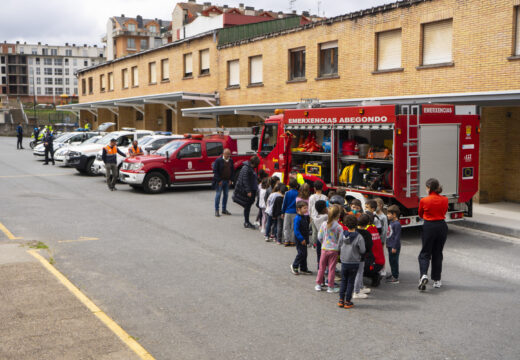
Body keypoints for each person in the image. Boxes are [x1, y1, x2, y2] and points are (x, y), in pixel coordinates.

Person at [418, 178, 449, 290]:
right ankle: (437, 280)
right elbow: (444, 211)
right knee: (438, 253)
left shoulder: (424, 200)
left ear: (428, 188)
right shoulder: (445, 199)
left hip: (429, 226)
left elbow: (420, 214)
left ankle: (423, 275)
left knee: (425, 253)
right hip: (441, 226)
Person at [337, 215, 366, 309]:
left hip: (344, 261)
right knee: (350, 282)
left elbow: (338, 246)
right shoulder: (359, 237)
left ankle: (341, 299)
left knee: (344, 280)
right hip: (354, 261)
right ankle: (348, 301)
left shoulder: (342, 234)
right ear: (356, 224)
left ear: (345, 224)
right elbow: (362, 250)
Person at [315, 204, 343, 293]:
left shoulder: (324, 224)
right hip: (334, 250)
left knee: (321, 267)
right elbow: (341, 239)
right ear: (338, 215)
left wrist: (323, 242)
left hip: (324, 248)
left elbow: (319, 236)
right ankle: (330, 287)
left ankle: (318, 284)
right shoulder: (339, 227)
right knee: (331, 268)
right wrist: (338, 247)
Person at [232, 155, 259, 229]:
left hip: (252, 189)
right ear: (253, 163)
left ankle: (247, 222)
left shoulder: (250, 168)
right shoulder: (246, 168)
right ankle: (246, 222)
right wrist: (248, 191)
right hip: (249, 191)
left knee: (248, 206)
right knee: (247, 206)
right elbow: (245, 180)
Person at [353, 214, 373, 299]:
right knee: (359, 273)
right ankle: (356, 292)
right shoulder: (367, 234)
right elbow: (369, 246)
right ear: (368, 223)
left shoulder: (354, 231)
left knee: (358, 272)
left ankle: (360, 287)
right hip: (361, 256)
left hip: (353, 255)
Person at [363, 213, 385, 286]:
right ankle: (374, 275)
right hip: (379, 262)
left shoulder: (366, 231)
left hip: (373, 263)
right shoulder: (374, 228)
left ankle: (374, 276)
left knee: (358, 268)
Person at [290, 201, 312, 275]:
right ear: (298, 209)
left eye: (307, 208)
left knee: (305, 254)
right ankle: (294, 266)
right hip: (300, 239)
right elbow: (296, 230)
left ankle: (303, 268)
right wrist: (301, 239)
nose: (306, 209)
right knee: (301, 253)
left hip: (305, 238)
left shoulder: (305, 217)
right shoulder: (297, 218)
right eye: (304, 208)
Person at [213, 148, 234, 217]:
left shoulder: (231, 161)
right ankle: (216, 210)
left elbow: (232, 170)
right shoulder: (218, 160)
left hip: (227, 181)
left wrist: (231, 179)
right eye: (227, 154)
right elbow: (215, 171)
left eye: (229, 154)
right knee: (218, 195)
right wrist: (219, 180)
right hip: (220, 181)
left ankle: (224, 209)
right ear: (223, 154)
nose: (228, 156)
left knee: (226, 195)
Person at [386, 205, 402, 284]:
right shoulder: (391, 222)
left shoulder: (397, 224)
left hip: (394, 246)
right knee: (391, 260)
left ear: (394, 214)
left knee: (394, 261)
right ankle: (393, 274)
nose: (387, 215)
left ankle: (395, 277)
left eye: (389, 214)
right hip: (390, 245)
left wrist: (394, 247)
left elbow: (397, 237)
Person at [281, 178, 299, 246]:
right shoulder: (298, 193)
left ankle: (286, 240)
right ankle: (292, 240)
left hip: (287, 212)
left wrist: (282, 212)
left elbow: (284, 203)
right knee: (293, 227)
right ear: (296, 185)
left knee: (286, 226)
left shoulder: (287, 193)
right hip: (295, 212)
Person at [313, 200, 328, 270]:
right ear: (324, 209)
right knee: (325, 255)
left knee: (319, 254)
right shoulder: (326, 217)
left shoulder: (315, 217)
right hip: (326, 238)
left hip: (319, 238)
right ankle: (325, 268)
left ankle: (319, 267)